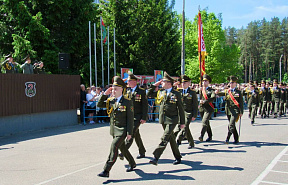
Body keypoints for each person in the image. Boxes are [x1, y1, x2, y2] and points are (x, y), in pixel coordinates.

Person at [97, 76, 136, 178]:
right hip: (114, 129)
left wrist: (129, 133)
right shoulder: (111, 100)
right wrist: (105, 94)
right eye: (112, 89)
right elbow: (99, 104)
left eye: (116, 89)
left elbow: (130, 118)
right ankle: (132, 163)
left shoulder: (127, 101)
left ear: (121, 89)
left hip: (123, 130)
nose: (113, 91)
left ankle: (106, 170)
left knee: (114, 147)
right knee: (123, 148)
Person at [147, 72, 185, 165]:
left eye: (163, 82)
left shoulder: (176, 93)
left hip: (172, 119)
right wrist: (154, 85)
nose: (161, 83)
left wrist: (182, 122)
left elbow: (181, 108)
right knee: (171, 138)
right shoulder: (161, 92)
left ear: (169, 83)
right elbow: (148, 94)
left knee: (164, 138)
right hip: (163, 118)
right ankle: (178, 157)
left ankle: (156, 157)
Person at [119, 71, 148, 160]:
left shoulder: (141, 91)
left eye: (129, 81)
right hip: (129, 116)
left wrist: (144, 117)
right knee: (136, 134)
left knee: (131, 132)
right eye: (127, 81)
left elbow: (144, 105)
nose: (127, 83)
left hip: (137, 116)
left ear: (134, 82)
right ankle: (142, 151)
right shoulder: (126, 90)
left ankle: (123, 151)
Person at [216, 76, 243, 144]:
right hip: (228, 110)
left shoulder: (239, 92)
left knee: (231, 124)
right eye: (230, 82)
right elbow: (219, 94)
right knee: (232, 124)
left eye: (232, 82)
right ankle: (236, 139)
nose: (231, 84)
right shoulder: (227, 91)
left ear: (235, 83)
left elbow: (241, 103)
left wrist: (241, 112)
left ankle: (227, 138)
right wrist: (217, 91)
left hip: (235, 110)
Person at [174, 75, 198, 149]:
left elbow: (195, 104)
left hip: (189, 112)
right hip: (181, 113)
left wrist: (195, 115)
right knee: (181, 127)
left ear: (189, 83)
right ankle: (191, 143)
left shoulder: (192, 92)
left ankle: (178, 140)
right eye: (182, 82)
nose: (183, 84)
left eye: (185, 82)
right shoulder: (179, 91)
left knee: (185, 127)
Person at [196, 74, 216, 142]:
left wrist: (205, 101)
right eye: (203, 81)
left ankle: (201, 136)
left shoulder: (211, 90)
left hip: (208, 108)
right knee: (206, 123)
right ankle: (210, 136)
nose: (204, 82)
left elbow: (213, 97)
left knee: (204, 122)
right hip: (202, 108)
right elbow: (192, 92)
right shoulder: (200, 89)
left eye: (206, 81)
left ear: (208, 82)